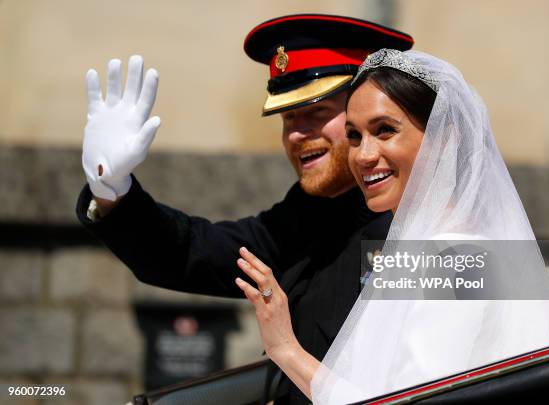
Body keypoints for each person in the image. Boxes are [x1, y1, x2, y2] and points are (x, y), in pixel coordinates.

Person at [76, 15, 414, 405]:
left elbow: (446, 380)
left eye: (316, 113)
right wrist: (112, 190)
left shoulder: (429, 226)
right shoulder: (308, 213)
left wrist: (286, 349)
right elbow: (194, 252)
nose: (298, 134)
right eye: (288, 118)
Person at [234, 49, 549, 403]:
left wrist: (286, 349)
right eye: (354, 136)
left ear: (445, 137)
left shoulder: (457, 258)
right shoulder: (420, 248)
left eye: (385, 131)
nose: (363, 155)